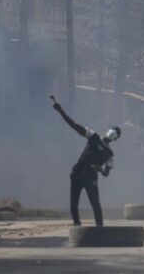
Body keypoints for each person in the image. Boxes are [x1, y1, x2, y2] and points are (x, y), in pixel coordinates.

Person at [51, 95, 120, 227]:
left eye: (116, 133)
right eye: (114, 130)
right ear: (108, 131)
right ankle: (77, 227)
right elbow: (75, 126)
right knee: (73, 206)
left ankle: (100, 230)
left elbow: (106, 174)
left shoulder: (110, 154)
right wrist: (60, 111)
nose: (113, 133)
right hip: (77, 174)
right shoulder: (93, 136)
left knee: (96, 205)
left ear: (115, 139)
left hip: (91, 178)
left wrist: (100, 169)